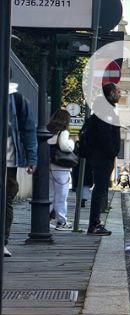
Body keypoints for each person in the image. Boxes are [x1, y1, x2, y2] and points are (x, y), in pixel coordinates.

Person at [77, 84, 122, 236]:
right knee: (99, 190)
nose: (120, 94)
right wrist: (112, 152)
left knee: (100, 190)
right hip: (102, 157)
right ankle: (94, 225)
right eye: (117, 91)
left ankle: (95, 224)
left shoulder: (103, 109)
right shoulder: (105, 111)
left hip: (101, 156)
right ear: (111, 93)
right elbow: (105, 135)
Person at [5, 83, 38, 256]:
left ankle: (3, 241)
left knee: (6, 200)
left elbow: (29, 130)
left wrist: (32, 158)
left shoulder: (17, 100)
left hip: (9, 160)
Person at [46, 109, 77, 231]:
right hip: (61, 168)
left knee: (50, 195)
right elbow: (65, 146)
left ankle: (45, 220)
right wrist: (72, 142)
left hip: (49, 167)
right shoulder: (63, 132)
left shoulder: (48, 130)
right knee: (61, 197)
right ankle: (61, 221)